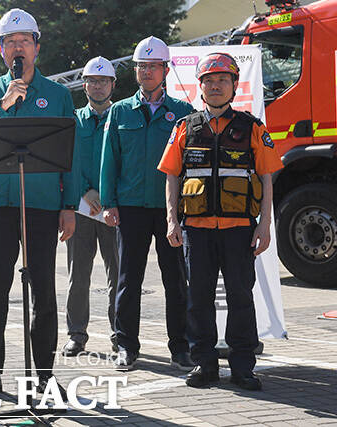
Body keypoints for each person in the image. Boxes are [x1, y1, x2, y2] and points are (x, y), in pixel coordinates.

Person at [0, 8, 79, 402]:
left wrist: (68, 205)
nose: (17, 48)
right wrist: (5, 104)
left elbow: (71, 155)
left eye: (24, 41)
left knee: (43, 290)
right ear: (1, 50)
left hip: (44, 205)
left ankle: (44, 377)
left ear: (36, 48)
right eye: (10, 42)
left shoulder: (59, 95)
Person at [158, 52, 283, 391]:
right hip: (196, 231)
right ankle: (204, 365)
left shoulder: (252, 127)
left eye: (222, 80)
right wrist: (172, 221)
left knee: (241, 297)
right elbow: (171, 177)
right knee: (197, 299)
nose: (216, 86)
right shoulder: (184, 127)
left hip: (239, 230)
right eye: (209, 81)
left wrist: (264, 225)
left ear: (234, 85)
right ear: (200, 87)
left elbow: (267, 178)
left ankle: (243, 367)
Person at [100, 36, 194, 371]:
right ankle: (126, 345)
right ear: (136, 71)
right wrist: (109, 203)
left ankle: (180, 347)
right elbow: (109, 161)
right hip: (130, 208)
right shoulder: (120, 111)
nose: (147, 72)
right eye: (142, 66)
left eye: (154, 66)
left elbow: (192, 166)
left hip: (170, 211)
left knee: (175, 280)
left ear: (166, 70)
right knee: (128, 279)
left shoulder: (184, 113)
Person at [61, 56, 119, 357]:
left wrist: (106, 195)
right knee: (78, 277)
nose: (98, 86)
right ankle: (76, 335)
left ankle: (119, 335)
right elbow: (69, 161)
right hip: (82, 209)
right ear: (84, 85)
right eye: (92, 81)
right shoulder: (74, 120)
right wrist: (86, 192)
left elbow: (125, 162)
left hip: (112, 209)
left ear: (112, 84)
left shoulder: (121, 117)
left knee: (117, 276)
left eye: (103, 81)